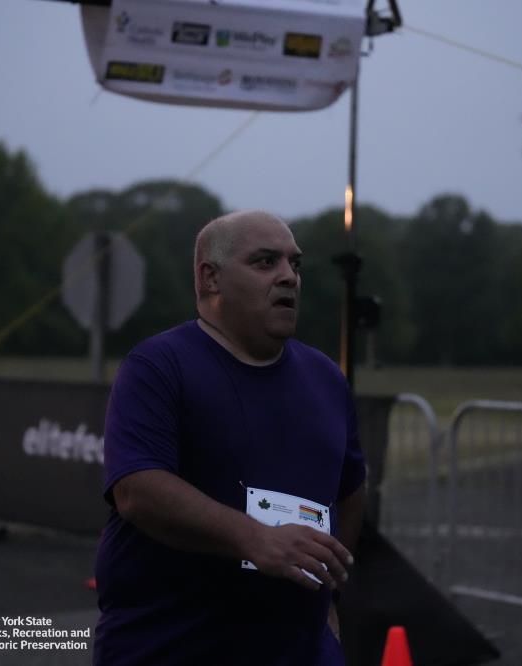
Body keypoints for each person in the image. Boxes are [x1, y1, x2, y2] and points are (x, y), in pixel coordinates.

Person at [93, 210, 367, 666]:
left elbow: (351, 489)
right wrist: (255, 538)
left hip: (300, 651)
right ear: (210, 278)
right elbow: (137, 490)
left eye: (295, 263)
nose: (288, 277)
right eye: (265, 262)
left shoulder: (325, 378)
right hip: (171, 647)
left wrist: (329, 593)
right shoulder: (158, 366)